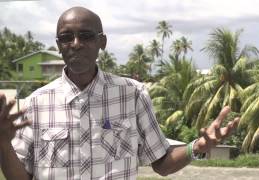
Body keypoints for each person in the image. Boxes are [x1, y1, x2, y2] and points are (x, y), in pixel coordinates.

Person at [0, 6, 239, 180]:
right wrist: (2, 141)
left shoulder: (132, 95)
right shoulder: (35, 104)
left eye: (86, 36)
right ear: (58, 46)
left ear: (102, 42)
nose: (75, 43)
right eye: (66, 37)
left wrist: (195, 147)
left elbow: (161, 164)